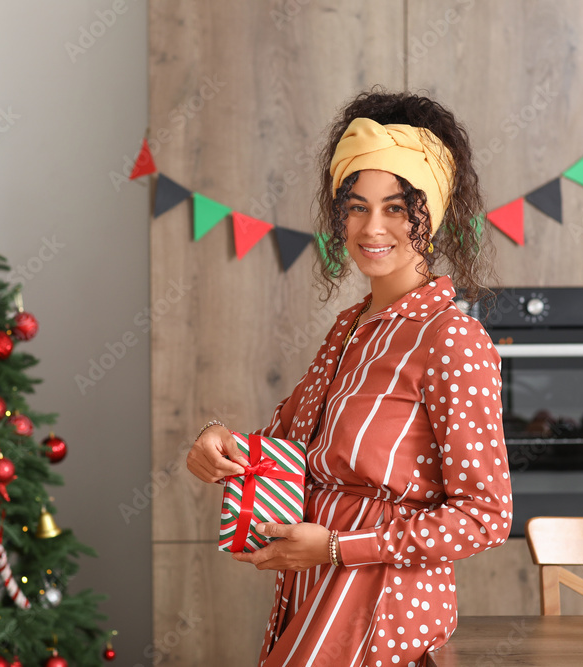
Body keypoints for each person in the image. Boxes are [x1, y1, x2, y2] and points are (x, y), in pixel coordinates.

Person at [187, 89, 512, 667]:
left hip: (382, 610)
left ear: (431, 216)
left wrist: (338, 546)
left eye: (396, 207)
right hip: (312, 588)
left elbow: (484, 517)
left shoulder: (450, 339)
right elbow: (288, 450)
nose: (372, 227)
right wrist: (219, 443)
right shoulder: (350, 328)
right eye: (356, 205)